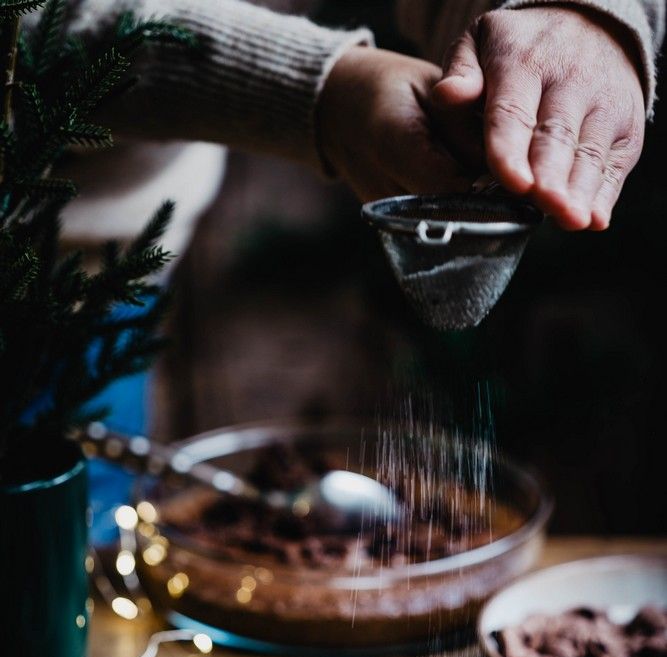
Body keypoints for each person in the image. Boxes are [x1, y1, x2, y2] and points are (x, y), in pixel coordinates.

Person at [50, 0, 663, 540]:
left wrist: (575, 12)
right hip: (45, 251)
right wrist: (320, 91)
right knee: (55, 551)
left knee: (86, 532)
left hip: (112, 283)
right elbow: (33, 27)